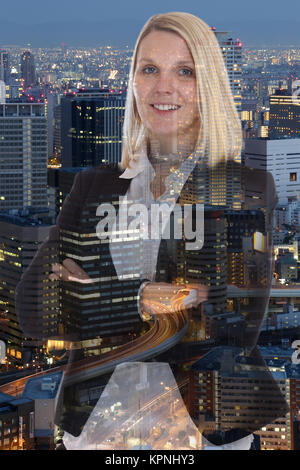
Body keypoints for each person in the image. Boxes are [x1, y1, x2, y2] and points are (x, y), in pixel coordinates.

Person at [16, 12, 287, 450]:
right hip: (96, 434)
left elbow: (230, 330)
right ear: (134, 83)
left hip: (208, 434)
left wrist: (91, 291)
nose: (164, 87)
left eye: (185, 71)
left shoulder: (246, 187)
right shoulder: (94, 185)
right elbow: (33, 309)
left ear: (209, 86)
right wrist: (145, 297)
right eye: (149, 69)